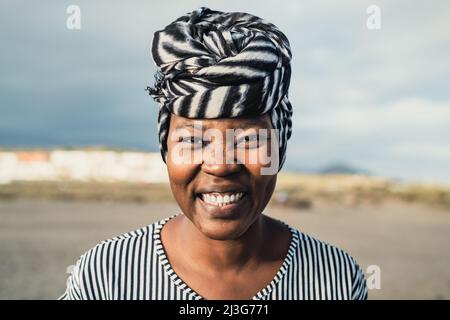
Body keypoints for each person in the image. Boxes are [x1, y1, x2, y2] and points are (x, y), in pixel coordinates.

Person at [58, 6, 368, 300]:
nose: (220, 165)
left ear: (280, 146)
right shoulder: (106, 277)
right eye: (193, 141)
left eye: (248, 139)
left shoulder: (336, 279)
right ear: (166, 147)